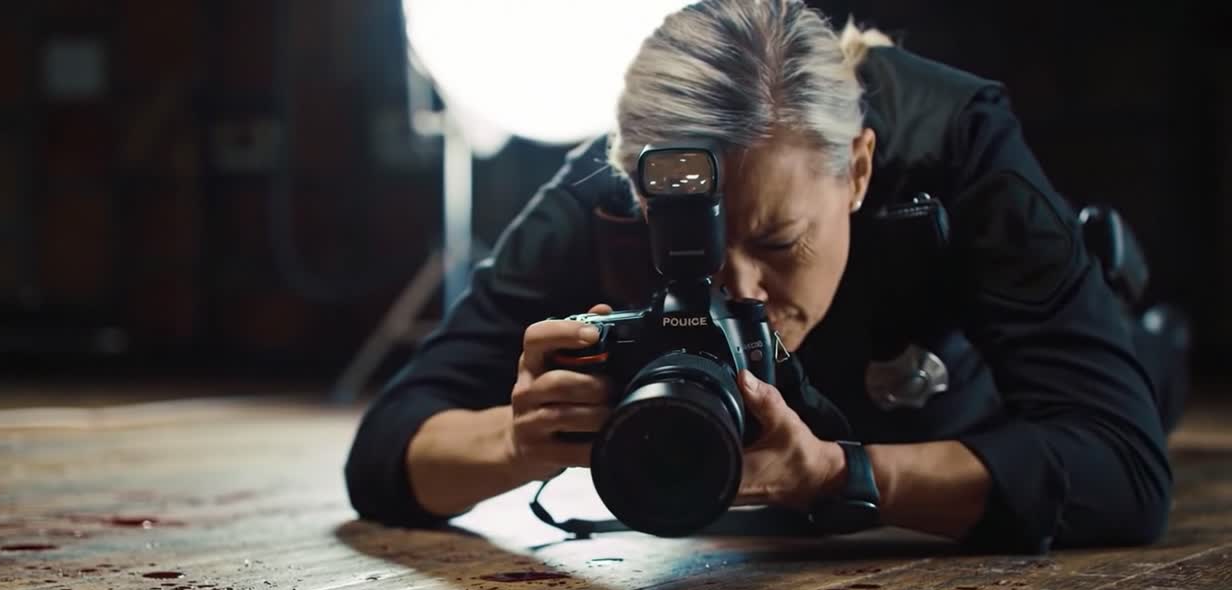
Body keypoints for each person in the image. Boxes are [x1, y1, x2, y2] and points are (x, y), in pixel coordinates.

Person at [345, 0, 1190, 553]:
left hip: (979, 403)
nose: (739, 287)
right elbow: (385, 451)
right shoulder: (601, 193)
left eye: (781, 241)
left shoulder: (954, 146)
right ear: (638, 187)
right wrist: (518, 440)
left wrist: (841, 475)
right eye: (698, 248)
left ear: (859, 170)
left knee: (1145, 370)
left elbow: (1123, 469)